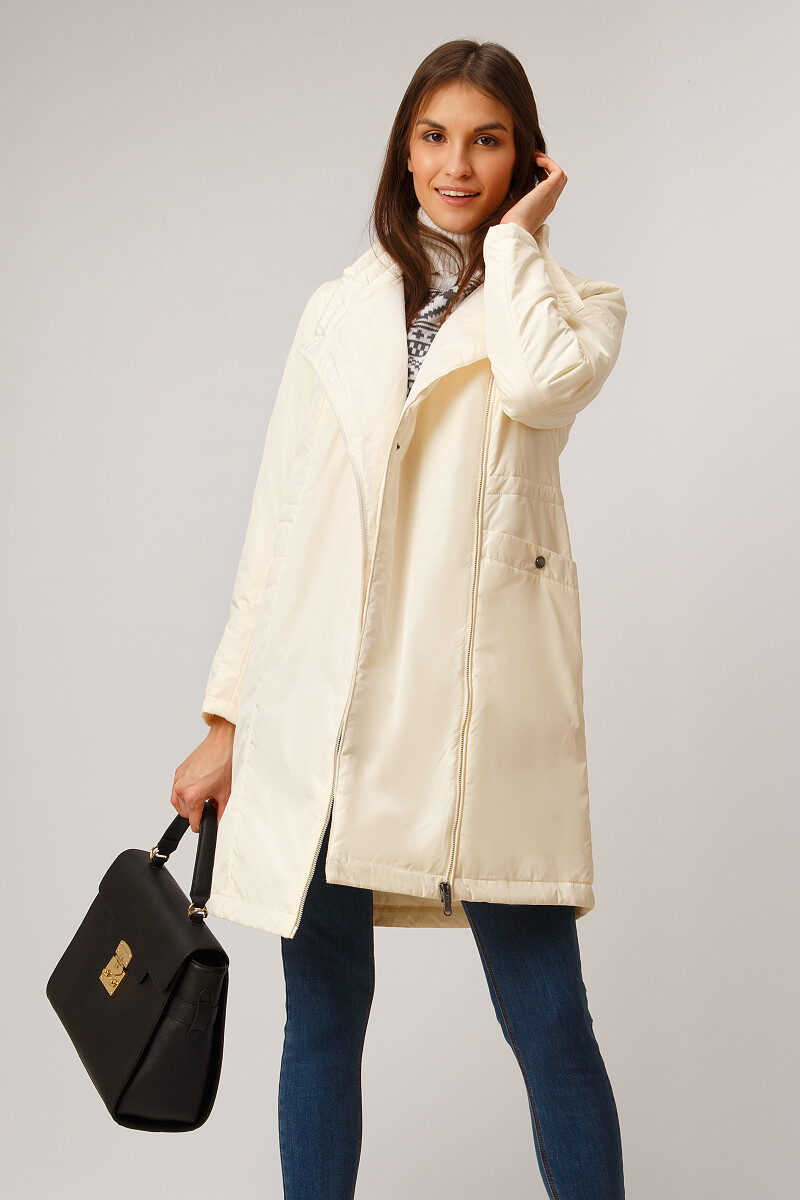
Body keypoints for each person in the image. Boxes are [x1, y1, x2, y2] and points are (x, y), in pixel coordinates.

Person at [171, 38, 627, 1200]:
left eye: (485, 140)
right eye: (433, 137)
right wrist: (226, 717)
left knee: (549, 1021)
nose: (454, 165)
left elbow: (534, 389)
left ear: (524, 157)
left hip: (470, 717)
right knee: (322, 1016)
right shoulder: (337, 310)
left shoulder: (571, 309)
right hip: (323, 711)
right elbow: (278, 519)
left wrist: (514, 244)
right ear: (403, 150)